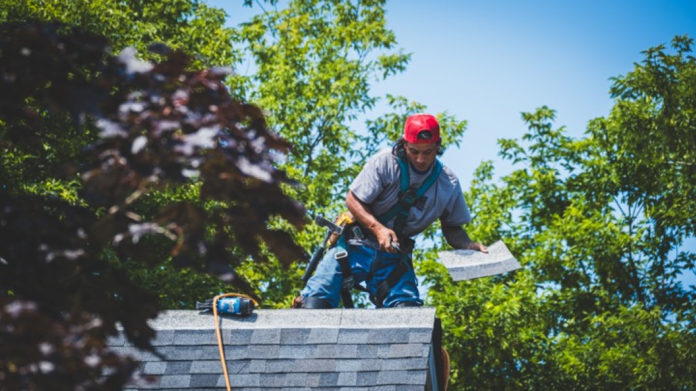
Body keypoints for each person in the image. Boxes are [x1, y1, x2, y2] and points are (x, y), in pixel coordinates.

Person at [300, 113, 488, 309]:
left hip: (393, 259)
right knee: (314, 304)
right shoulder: (385, 162)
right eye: (414, 151)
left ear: (438, 145)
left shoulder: (448, 183)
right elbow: (353, 199)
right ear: (405, 144)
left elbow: (452, 228)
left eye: (428, 152)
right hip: (355, 246)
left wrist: (468, 245)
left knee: (409, 316)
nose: (421, 159)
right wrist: (378, 229)